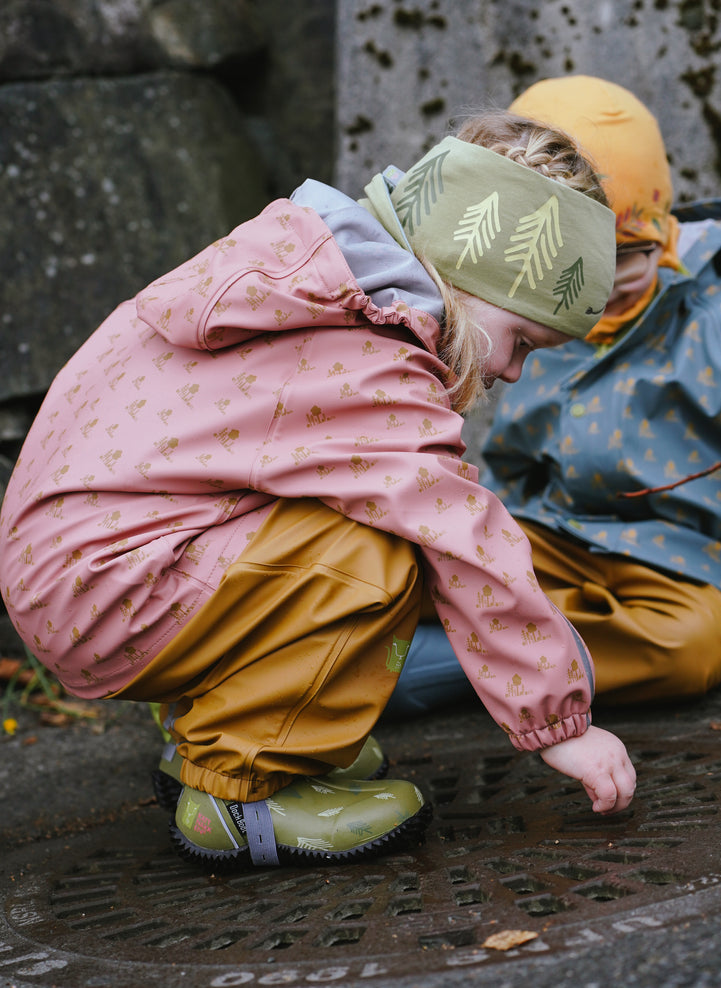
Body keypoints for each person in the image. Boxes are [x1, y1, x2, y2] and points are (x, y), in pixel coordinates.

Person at [0, 110, 636, 869]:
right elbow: (463, 535)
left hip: (81, 572)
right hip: (113, 591)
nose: (511, 373)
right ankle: (239, 791)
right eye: (522, 341)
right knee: (390, 546)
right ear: (467, 282)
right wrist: (560, 723)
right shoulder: (372, 360)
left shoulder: (300, 277)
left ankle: (229, 735)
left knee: (335, 516)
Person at [389, 75, 721, 717]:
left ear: (664, 231)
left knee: (689, 646)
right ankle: (489, 634)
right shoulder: (533, 329)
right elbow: (509, 465)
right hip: (552, 534)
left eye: (626, 255)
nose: (600, 290)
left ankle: (470, 666)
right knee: (411, 559)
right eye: (580, 269)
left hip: (689, 565)